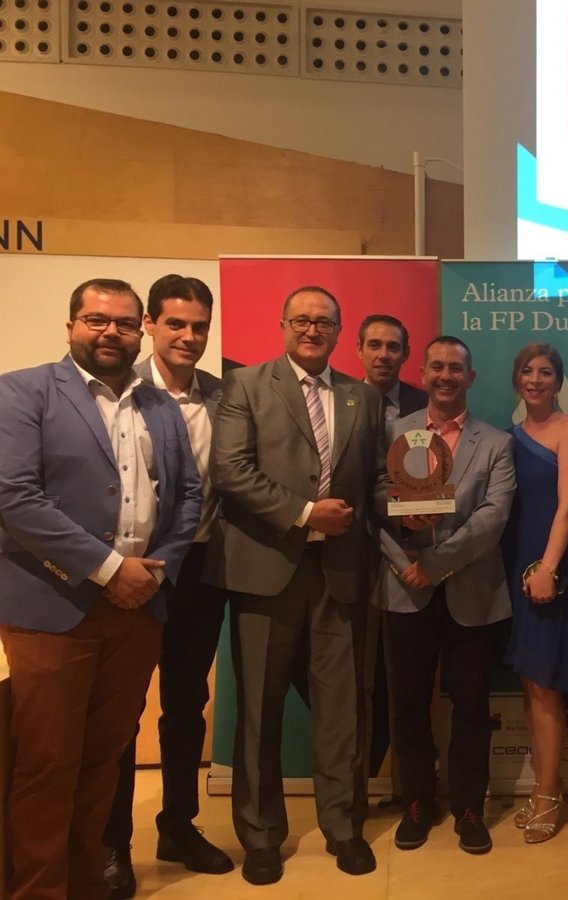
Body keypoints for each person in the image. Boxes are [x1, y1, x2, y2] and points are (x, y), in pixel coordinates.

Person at [0, 278, 202, 900]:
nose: (110, 332)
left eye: (123, 323)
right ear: (71, 326)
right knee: (47, 764)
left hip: (138, 611)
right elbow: (15, 498)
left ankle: (85, 882)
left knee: (102, 761)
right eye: (96, 320)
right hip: (53, 608)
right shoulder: (23, 391)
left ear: (140, 330)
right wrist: (111, 569)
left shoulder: (160, 406)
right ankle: (38, 889)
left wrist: (157, 569)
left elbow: (188, 496)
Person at [206, 285, 389, 885]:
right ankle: (261, 837)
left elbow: (376, 479)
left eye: (325, 322)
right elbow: (230, 470)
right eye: (302, 320)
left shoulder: (364, 396)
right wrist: (306, 514)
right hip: (265, 570)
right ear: (283, 325)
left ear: (339, 331)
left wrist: (411, 505)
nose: (313, 330)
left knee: (342, 710)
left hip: (341, 572)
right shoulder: (245, 385)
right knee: (258, 710)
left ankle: (344, 827)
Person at [102, 275, 234, 899]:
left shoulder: (226, 395)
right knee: (122, 712)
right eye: (176, 323)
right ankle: (112, 845)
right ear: (150, 324)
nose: (188, 336)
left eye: (199, 326)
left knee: (186, 705)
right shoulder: (119, 391)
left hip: (202, 571)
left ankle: (178, 826)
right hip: (132, 571)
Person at [376, 336, 516, 856]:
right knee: (409, 704)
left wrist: (434, 565)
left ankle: (469, 807)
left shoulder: (496, 443)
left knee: (472, 707)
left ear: (470, 377)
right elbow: (374, 505)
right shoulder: (394, 432)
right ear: (423, 373)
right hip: (404, 589)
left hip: (471, 593)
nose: (445, 376)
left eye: (456, 368)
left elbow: (492, 519)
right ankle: (417, 802)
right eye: (436, 367)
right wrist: (405, 564)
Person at [502, 343, 568, 844]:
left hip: (551, 568)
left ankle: (549, 795)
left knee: (546, 683)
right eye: (527, 371)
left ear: (559, 382)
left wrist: (548, 568)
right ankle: (542, 788)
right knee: (531, 686)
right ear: (516, 379)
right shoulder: (510, 435)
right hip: (516, 566)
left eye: (546, 372)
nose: (535, 379)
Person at [355, 313, 427, 809]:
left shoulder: (427, 406)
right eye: (375, 345)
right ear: (359, 349)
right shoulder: (341, 402)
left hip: (417, 562)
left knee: (409, 684)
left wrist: (412, 554)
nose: (383, 355)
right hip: (354, 560)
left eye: (393, 347)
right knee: (357, 684)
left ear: (405, 354)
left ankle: (411, 791)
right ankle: (355, 792)